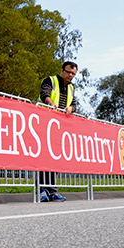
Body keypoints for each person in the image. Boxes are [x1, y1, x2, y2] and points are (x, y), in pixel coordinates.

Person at [38, 61, 78, 202]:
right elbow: (44, 94)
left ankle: (52, 192)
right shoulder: (50, 80)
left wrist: (70, 109)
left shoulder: (72, 88)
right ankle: (41, 190)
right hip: (44, 124)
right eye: (68, 72)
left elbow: (74, 104)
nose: (70, 75)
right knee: (43, 159)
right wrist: (50, 103)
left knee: (54, 160)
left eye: (73, 73)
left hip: (59, 128)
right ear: (62, 70)